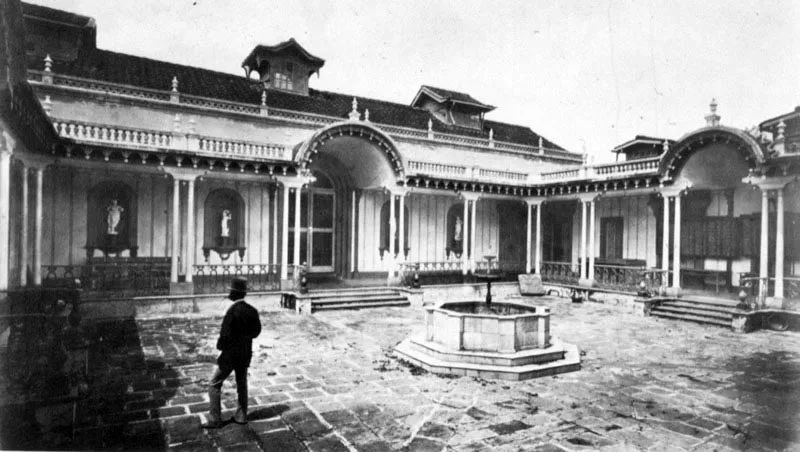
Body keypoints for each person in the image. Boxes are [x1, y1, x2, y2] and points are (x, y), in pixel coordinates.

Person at [202, 276, 262, 428]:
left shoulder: (231, 311)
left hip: (230, 355)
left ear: (234, 294)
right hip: (245, 353)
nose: (229, 293)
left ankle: (215, 419)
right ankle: (242, 416)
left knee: (214, 383)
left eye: (231, 291)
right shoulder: (252, 311)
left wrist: (221, 348)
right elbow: (256, 332)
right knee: (242, 383)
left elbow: (224, 337)